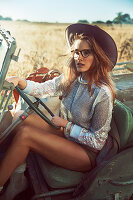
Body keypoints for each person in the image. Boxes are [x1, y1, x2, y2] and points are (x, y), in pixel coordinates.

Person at [0, 23, 117, 199]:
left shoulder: (103, 94)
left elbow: (97, 142)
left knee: (26, 135)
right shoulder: (73, 78)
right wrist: (19, 81)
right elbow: (43, 89)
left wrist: (67, 125)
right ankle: (17, 178)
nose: (79, 57)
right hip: (66, 134)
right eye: (76, 52)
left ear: (98, 55)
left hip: (85, 153)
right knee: (15, 116)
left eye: (86, 52)